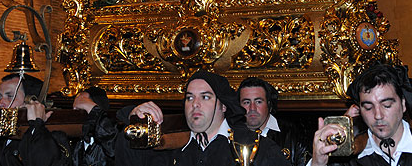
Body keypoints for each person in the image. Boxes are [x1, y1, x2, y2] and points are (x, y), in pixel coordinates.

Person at [115, 69, 290, 165]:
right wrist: (133, 115)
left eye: (205, 97)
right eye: (189, 97)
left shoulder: (255, 147)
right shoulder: (168, 145)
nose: (195, 104)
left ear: (223, 105)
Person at [0, 73, 70, 166]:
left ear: (32, 102)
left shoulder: (53, 136)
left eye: (10, 96)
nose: (0, 103)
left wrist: (36, 126)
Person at [238, 77, 310, 166]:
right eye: (246, 102)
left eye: (258, 102)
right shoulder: (230, 135)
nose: (252, 108)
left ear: (269, 104)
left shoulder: (294, 134)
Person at [72, 86, 117, 166]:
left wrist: (92, 109)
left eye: (80, 109)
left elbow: (112, 148)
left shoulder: (115, 135)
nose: (75, 113)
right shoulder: (75, 142)